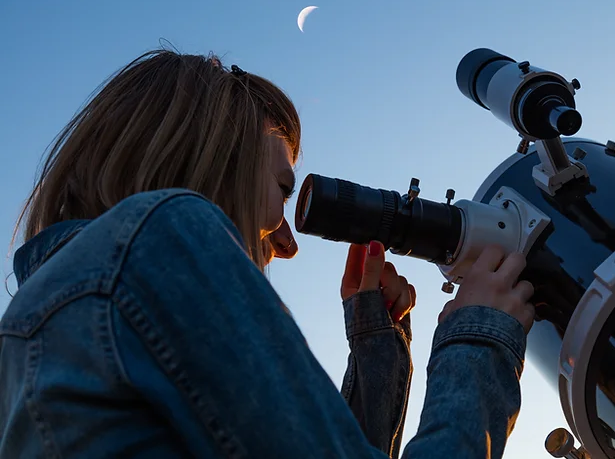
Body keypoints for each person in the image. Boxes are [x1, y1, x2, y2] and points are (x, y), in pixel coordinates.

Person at [0, 49, 535, 459]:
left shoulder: (40, 334)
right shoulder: (169, 232)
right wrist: (480, 337)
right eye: (283, 190)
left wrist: (378, 345)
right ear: (214, 159)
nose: (287, 242)